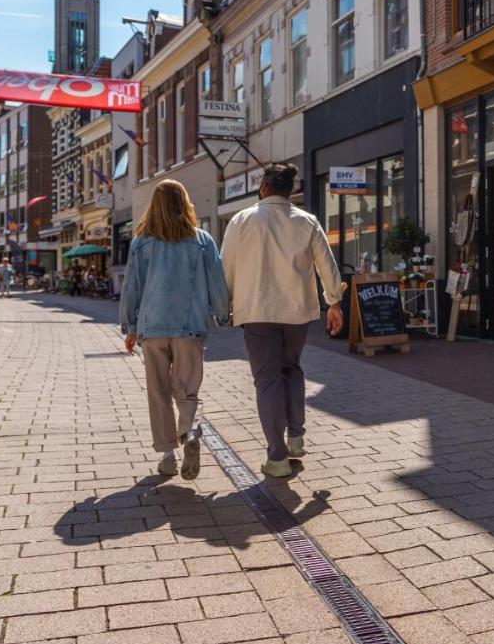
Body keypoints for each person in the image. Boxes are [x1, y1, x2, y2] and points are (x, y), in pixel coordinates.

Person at [221, 164, 343, 479]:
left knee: (267, 380)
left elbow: (226, 269)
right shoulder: (307, 221)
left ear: (263, 187)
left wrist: (224, 304)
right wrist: (334, 303)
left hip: (257, 311)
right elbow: (326, 265)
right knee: (292, 368)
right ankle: (296, 435)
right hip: (297, 311)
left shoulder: (242, 220)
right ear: (289, 191)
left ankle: (277, 456)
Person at [120, 180, 229, 479]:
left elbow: (131, 287)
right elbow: (216, 282)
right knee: (186, 386)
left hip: (152, 327)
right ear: (185, 203)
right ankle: (189, 432)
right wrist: (222, 314)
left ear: (154, 206)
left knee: (157, 390)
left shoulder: (141, 242)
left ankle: (167, 455)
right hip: (189, 325)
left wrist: (129, 326)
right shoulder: (203, 240)